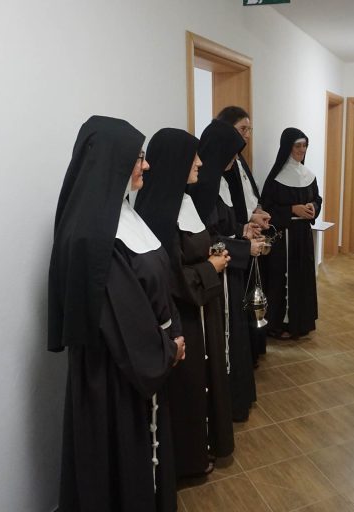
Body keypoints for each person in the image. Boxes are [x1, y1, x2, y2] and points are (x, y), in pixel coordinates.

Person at [48, 116, 185, 511]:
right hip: (114, 376)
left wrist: (171, 331)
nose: (146, 165)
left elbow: (154, 283)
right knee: (121, 463)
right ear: (112, 161)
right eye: (138, 157)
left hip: (138, 359)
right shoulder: (93, 236)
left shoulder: (123, 213)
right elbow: (124, 316)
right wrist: (167, 349)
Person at [134, 128, 234, 478]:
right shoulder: (158, 212)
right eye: (194, 156)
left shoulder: (186, 200)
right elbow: (172, 278)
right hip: (184, 316)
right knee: (188, 389)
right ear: (177, 161)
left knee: (205, 381)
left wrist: (212, 258)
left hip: (203, 308)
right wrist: (211, 267)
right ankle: (189, 460)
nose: (201, 163)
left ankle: (207, 444)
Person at [191, 118, 262, 422]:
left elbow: (224, 225)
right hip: (218, 273)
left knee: (236, 336)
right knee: (224, 338)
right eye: (231, 155)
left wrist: (243, 229)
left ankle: (237, 398)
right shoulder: (202, 187)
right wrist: (246, 248)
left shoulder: (219, 181)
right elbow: (206, 239)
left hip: (229, 270)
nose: (234, 161)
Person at [217, 106, 271, 366]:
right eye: (242, 129)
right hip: (231, 247)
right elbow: (222, 218)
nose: (247, 135)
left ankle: (252, 351)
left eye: (249, 129)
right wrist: (243, 226)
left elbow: (246, 199)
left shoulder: (239, 159)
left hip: (242, 237)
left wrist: (254, 216)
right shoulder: (222, 168)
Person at [261, 128, 322, 340]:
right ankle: (280, 324)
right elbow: (267, 208)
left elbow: (317, 198)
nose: (302, 149)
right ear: (288, 147)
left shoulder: (309, 175)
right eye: (298, 145)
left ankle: (300, 323)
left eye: (304, 145)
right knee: (282, 279)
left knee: (302, 277)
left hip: (303, 235)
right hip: (283, 237)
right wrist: (291, 210)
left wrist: (313, 207)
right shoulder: (276, 178)